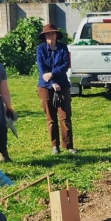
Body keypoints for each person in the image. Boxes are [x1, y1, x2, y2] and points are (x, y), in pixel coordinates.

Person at [35, 24, 74, 154]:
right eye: (48, 34)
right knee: (51, 118)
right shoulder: (40, 49)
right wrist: (52, 82)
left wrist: (52, 75)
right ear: (45, 36)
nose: (51, 36)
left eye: (53, 34)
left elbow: (65, 65)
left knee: (65, 116)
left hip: (62, 84)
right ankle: (55, 146)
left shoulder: (63, 48)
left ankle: (68, 146)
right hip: (45, 86)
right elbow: (42, 68)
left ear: (56, 35)